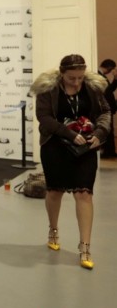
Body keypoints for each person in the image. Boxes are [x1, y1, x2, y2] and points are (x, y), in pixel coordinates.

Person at [31, 54, 111, 270]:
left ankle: (85, 247)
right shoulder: (48, 89)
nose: (77, 82)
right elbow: (44, 117)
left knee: (84, 194)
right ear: (61, 74)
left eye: (80, 78)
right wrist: (68, 133)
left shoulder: (93, 88)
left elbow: (105, 112)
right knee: (55, 191)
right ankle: (53, 230)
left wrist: (100, 133)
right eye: (71, 78)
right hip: (55, 146)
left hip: (86, 146)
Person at [97, 58, 117, 158]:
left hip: (108, 107)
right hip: (105, 108)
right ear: (109, 67)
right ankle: (108, 152)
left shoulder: (101, 75)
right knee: (107, 130)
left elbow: (109, 90)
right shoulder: (98, 75)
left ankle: (110, 152)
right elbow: (107, 92)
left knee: (109, 130)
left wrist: (115, 79)